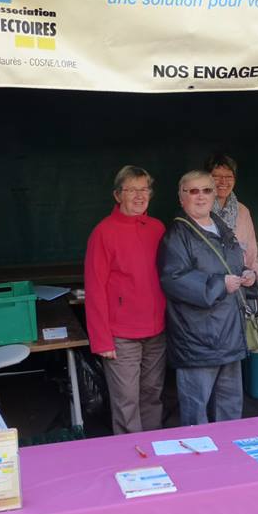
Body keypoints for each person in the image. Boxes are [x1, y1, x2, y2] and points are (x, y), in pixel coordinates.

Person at [158, 170, 256, 425]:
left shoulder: (222, 227)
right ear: (181, 198)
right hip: (197, 339)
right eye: (193, 191)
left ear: (215, 195)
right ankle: (198, 463)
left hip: (229, 332)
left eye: (206, 190)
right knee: (195, 412)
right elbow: (173, 279)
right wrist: (219, 284)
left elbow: (230, 265)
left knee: (230, 407)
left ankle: (230, 460)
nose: (200, 197)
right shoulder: (177, 235)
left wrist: (246, 275)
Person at [84, 165, 167, 434]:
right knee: (126, 401)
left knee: (152, 395)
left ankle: (153, 449)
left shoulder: (157, 228)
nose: (139, 195)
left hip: (156, 330)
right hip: (121, 336)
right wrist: (102, 339)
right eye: (132, 190)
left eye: (144, 189)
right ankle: (130, 458)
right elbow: (94, 288)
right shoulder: (103, 232)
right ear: (118, 195)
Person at [205, 154, 258, 324]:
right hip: (207, 293)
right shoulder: (199, 208)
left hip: (237, 295)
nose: (223, 182)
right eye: (216, 176)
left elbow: (252, 258)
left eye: (228, 176)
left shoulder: (242, 211)